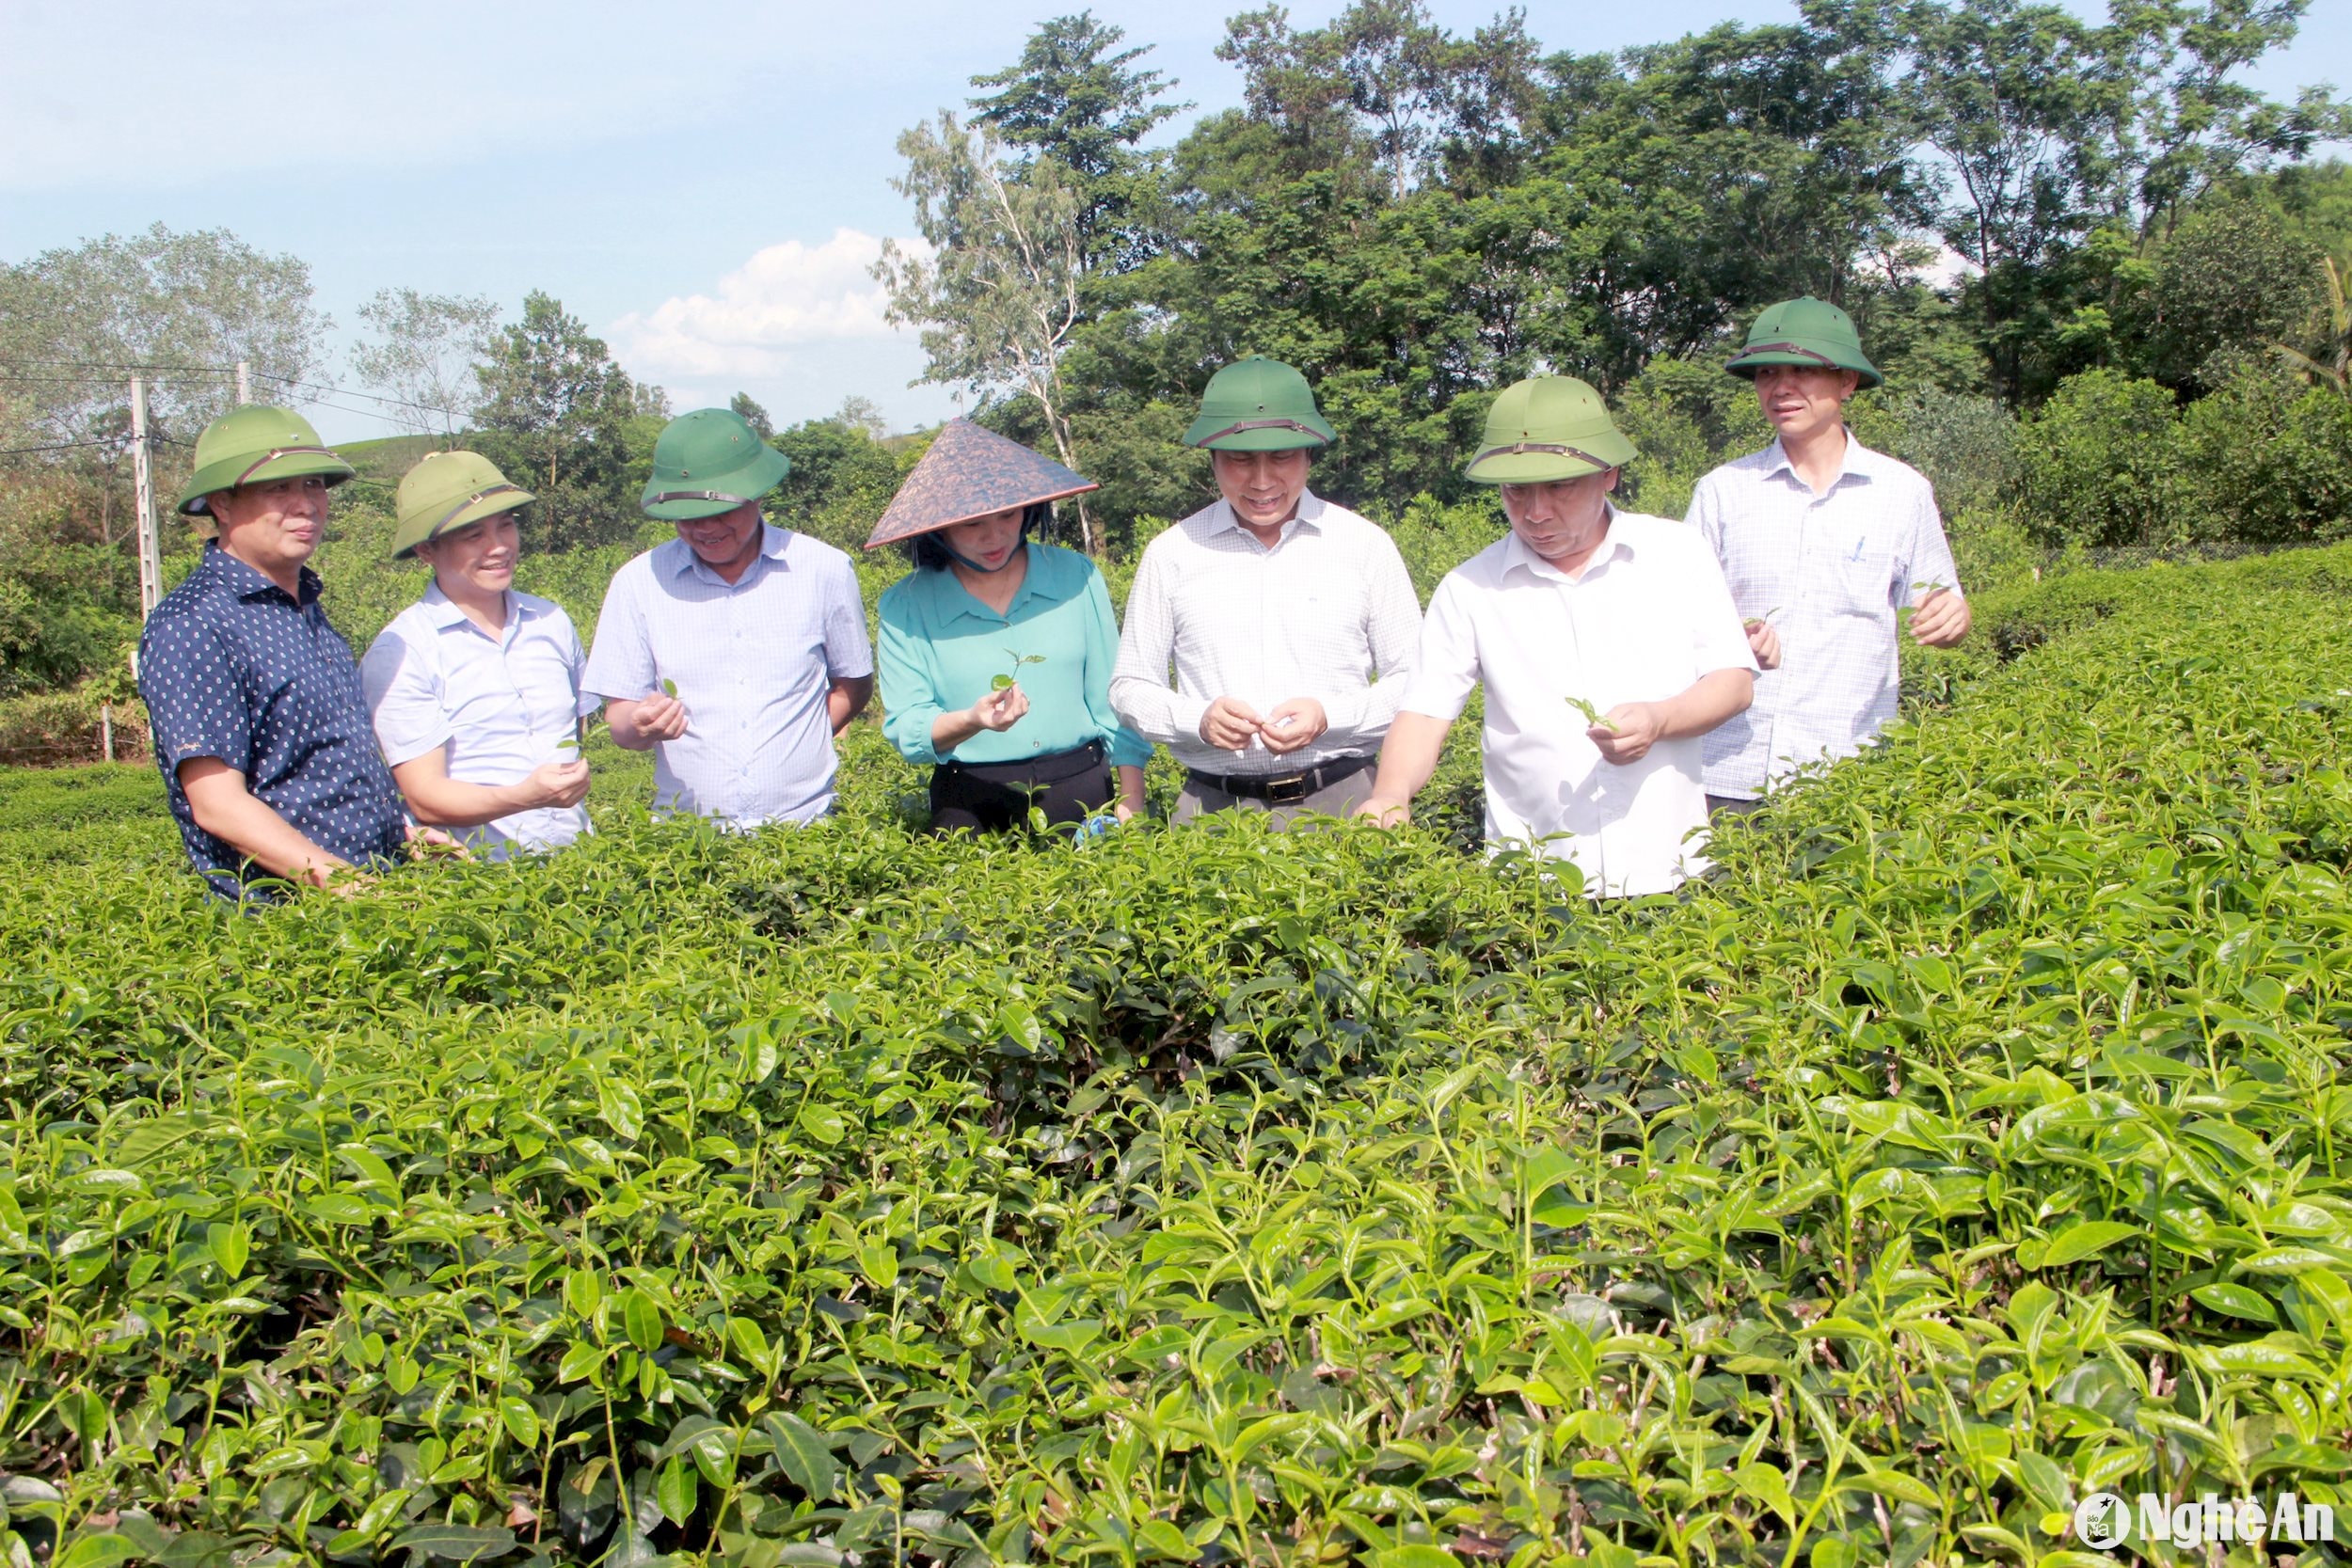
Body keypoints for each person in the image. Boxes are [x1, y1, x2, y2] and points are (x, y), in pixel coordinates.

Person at [1355, 377, 1756, 897]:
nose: (1536, 512)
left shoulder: (1677, 554)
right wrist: (1391, 793)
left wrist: (1659, 720)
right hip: (1535, 882)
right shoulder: (1470, 588)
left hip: (1670, 867)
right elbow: (1426, 710)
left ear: (1608, 474)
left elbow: (1732, 681)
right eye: (1516, 490)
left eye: (1559, 486)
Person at [1691, 296, 1971, 816]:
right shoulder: (1722, 491)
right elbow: (1679, 623)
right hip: (1727, 772)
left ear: (1847, 382)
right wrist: (1731, 645)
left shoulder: (1902, 492)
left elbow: (1941, 606)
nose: (1781, 388)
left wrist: (1953, 618)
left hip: (1849, 773)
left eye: (1803, 370)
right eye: (1767, 373)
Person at [1109, 356, 1421, 822]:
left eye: (1281, 457)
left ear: (1309, 455)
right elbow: (1129, 686)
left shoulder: (1364, 545)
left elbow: (1416, 682)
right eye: (1239, 459)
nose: (1261, 481)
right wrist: (1196, 719)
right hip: (1213, 812)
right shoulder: (1171, 554)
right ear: (1212, 458)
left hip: (1347, 801)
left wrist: (1329, 716)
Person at [136, 405, 415, 897]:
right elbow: (218, 805)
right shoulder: (194, 624)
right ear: (221, 503)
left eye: (313, 485)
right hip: (287, 923)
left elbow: (323, 764)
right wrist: (353, 888)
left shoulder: (303, 608)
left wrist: (404, 836)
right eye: (278, 488)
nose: (306, 505)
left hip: (370, 899)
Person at [581, 407, 874, 827]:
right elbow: (620, 720)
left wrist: (798, 741)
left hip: (806, 829)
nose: (706, 528)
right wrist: (640, 725)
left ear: (757, 494)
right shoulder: (638, 583)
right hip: (689, 839)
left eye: (722, 511)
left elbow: (854, 683)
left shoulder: (822, 569)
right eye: (688, 516)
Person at [867, 420, 1150, 832]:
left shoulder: (1075, 576)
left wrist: (1132, 806)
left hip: (1082, 786)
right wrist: (971, 721)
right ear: (939, 528)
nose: (994, 535)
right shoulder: (906, 605)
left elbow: (1114, 703)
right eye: (972, 523)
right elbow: (908, 726)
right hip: (971, 801)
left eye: (1007, 514)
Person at [358, 451, 596, 858]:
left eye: (506, 526)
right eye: (474, 535)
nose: (499, 547)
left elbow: (578, 730)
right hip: (480, 884)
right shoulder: (404, 651)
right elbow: (425, 797)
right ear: (426, 550)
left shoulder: (551, 620)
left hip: (579, 868)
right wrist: (526, 796)